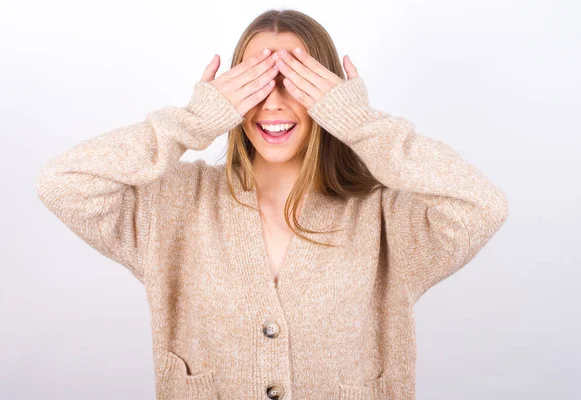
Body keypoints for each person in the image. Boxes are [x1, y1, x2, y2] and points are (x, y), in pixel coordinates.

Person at [36, 8, 508, 400]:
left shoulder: (384, 216)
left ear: (328, 95)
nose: (273, 102)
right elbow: (62, 182)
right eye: (256, 80)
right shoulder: (174, 204)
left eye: (296, 81)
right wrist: (193, 120)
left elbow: (482, 205)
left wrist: (360, 122)